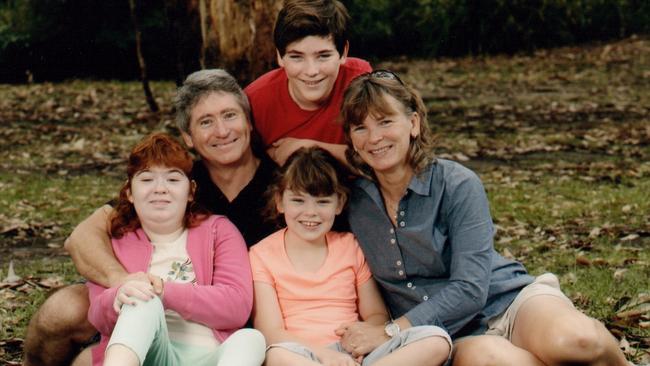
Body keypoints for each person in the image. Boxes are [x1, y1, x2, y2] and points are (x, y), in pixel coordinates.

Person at [337, 70, 630, 365]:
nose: (374, 137)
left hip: (505, 302)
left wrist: (390, 332)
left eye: (385, 121)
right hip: (447, 335)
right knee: (493, 360)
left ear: (413, 123)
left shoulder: (456, 183)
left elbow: (470, 289)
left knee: (577, 340)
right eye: (360, 127)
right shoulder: (353, 203)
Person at [22, 69, 278, 366]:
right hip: (144, 324)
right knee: (64, 312)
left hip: (238, 325)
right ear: (188, 137)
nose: (222, 131)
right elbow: (82, 236)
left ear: (248, 121)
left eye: (230, 116)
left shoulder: (283, 184)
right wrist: (126, 284)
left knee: (250, 342)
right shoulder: (175, 178)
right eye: (205, 122)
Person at [249, 147, 452, 366]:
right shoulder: (262, 254)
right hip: (301, 354)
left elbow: (377, 315)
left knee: (436, 339)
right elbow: (270, 331)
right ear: (280, 201)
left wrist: (363, 336)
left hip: (356, 355)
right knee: (278, 356)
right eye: (298, 201)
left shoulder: (350, 246)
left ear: (340, 203)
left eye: (323, 201)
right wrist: (324, 355)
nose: (310, 212)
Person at [86, 132, 265, 366]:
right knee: (140, 296)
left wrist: (166, 293)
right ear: (129, 192)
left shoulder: (218, 231)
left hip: (211, 356)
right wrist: (119, 296)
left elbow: (237, 307)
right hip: (151, 354)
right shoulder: (117, 240)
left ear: (190, 191)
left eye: (172, 179)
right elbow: (98, 317)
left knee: (251, 338)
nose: (160, 189)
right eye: (147, 179)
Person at [245, 0, 372, 165]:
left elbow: (379, 155)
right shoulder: (255, 101)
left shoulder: (359, 80)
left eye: (323, 56)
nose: (311, 71)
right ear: (279, 56)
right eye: (296, 57)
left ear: (343, 53)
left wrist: (307, 147)